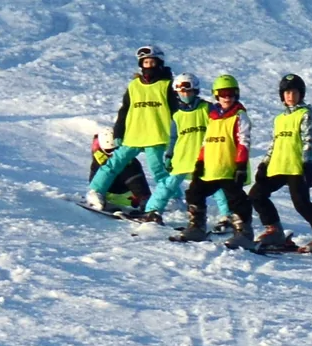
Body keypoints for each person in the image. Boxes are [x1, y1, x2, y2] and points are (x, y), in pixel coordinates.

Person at [247, 74, 312, 255]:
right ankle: (274, 231)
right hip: (277, 166)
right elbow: (275, 143)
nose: (291, 96)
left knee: (302, 204)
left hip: (296, 167)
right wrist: (264, 165)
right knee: (256, 195)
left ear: (301, 94)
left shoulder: (304, 114)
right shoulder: (279, 119)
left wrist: (308, 165)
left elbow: (309, 140)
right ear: (282, 95)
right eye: (287, 92)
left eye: (295, 92)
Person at [87, 47, 175, 216]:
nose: (149, 66)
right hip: (133, 135)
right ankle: (95, 192)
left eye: (152, 62)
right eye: (145, 62)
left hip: (154, 135)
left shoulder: (166, 86)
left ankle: (170, 198)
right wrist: (118, 133)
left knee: (158, 170)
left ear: (159, 64)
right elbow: (124, 111)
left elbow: (176, 112)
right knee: (113, 164)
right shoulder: (134, 86)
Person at [175, 75, 254, 247]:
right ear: (216, 96)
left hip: (229, 167)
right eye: (223, 94)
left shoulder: (239, 116)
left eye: (231, 93)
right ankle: (197, 227)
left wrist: (240, 166)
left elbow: (244, 141)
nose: (227, 97)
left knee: (236, 199)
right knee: (194, 193)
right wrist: (200, 162)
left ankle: (244, 233)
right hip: (211, 168)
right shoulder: (213, 116)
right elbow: (206, 141)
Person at [145, 75, 211, 227]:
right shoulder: (177, 115)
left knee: (217, 187)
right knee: (169, 184)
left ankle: (228, 216)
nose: (185, 95)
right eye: (181, 92)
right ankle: (153, 211)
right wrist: (169, 155)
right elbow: (174, 137)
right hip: (183, 156)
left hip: (205, 157)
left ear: (195, 90)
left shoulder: (207, 108)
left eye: (188, 91)